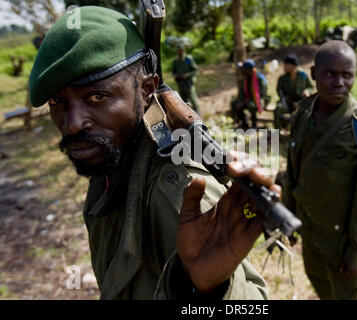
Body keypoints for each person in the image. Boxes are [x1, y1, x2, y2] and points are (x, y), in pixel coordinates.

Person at [28, 6, 274, 300]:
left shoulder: (178, 192)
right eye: (57, 101)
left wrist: (207, 290)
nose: (72, 123)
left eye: (97, 97)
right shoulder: (111, 160)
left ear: (147, 90)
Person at [282, 40, 357, 299]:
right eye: (330, 74)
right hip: (310, 229)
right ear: (315, 74)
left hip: (342, 240)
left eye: (347, 75)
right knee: (320, 284)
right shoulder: (304, 113)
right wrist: (288, 216)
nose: (339, 82)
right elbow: (293, 169)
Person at [274, 54, 313, 130]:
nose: (284, 66)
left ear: (293, 66)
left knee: (308, 114)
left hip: (302, 102)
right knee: (278, 110)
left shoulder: (303, 75)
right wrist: (286, 100)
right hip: (287, 102)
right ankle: (277, 132)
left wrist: (307, 91)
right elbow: (279, 90)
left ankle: (303, 134)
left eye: (286, 64)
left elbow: (311, 87)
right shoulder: (282, 78)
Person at [231, 59, 270, 129]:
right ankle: (244, 122)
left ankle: (254, 124)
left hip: (259, 101)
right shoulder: (245, 79)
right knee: (234, 103)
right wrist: (240, 102)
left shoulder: (259, 79)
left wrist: (246, 101)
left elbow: (261, 96)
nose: (242, 70)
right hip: (248, 100)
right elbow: (241, 93)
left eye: (244, 69)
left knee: (250, 105)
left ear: (248, 69)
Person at [172, 44, 200, 111]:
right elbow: (173, 71)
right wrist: (176, 75)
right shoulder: (176, 61)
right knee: (183, 101)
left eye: (181, 50)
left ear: (184, 50)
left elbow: (195, 70)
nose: (180, 52)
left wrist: (187, 75)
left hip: (189, 83)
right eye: (178, 50)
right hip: (180, 83)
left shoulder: (188, 59)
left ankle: (198, 115)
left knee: (193, 100)